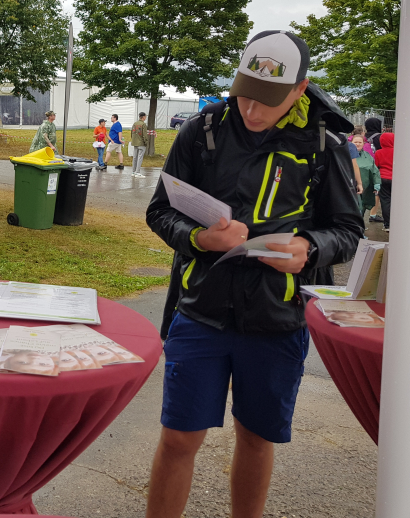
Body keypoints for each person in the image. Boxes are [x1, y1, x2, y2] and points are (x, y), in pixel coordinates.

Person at [145, 31, 363, 518]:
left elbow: (347, 230)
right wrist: (200, 239)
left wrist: (309, 248)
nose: (252, 109)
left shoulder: (325, 146)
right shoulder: (202, 129)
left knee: (256, 437)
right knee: (179, 437)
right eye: (246, 92)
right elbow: (160, 211)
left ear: (299, 90)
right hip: (200, 311)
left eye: (268, 99)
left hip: (277, 318)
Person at [352, 133, 381, 219]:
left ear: (363, 143)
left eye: (360, 142)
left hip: (366, 188)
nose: (357, 144)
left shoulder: (368, 156)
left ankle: (360, 228)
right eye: (355, 142)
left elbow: (374, 170)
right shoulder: (345, 156)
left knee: (363, 207)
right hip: (351, 188)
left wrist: (377, 183)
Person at [374, 133, 394, 232]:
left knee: (385, 201)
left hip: (383, 178)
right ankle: (397, 221)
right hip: (395, 178)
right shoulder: (398, 152)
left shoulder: (378, 152)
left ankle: (387, 224)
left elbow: (376, 166)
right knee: (396, 201)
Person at [131, 112, 149, 178]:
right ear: (143, 117)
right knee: (140, 157)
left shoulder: (135, 123)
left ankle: (133, 171)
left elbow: (131, 132)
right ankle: (138, 172)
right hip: (141, 142)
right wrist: (146, 142)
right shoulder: (143, 124)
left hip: (135, 142)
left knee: (135, 157)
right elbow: (144, 135)